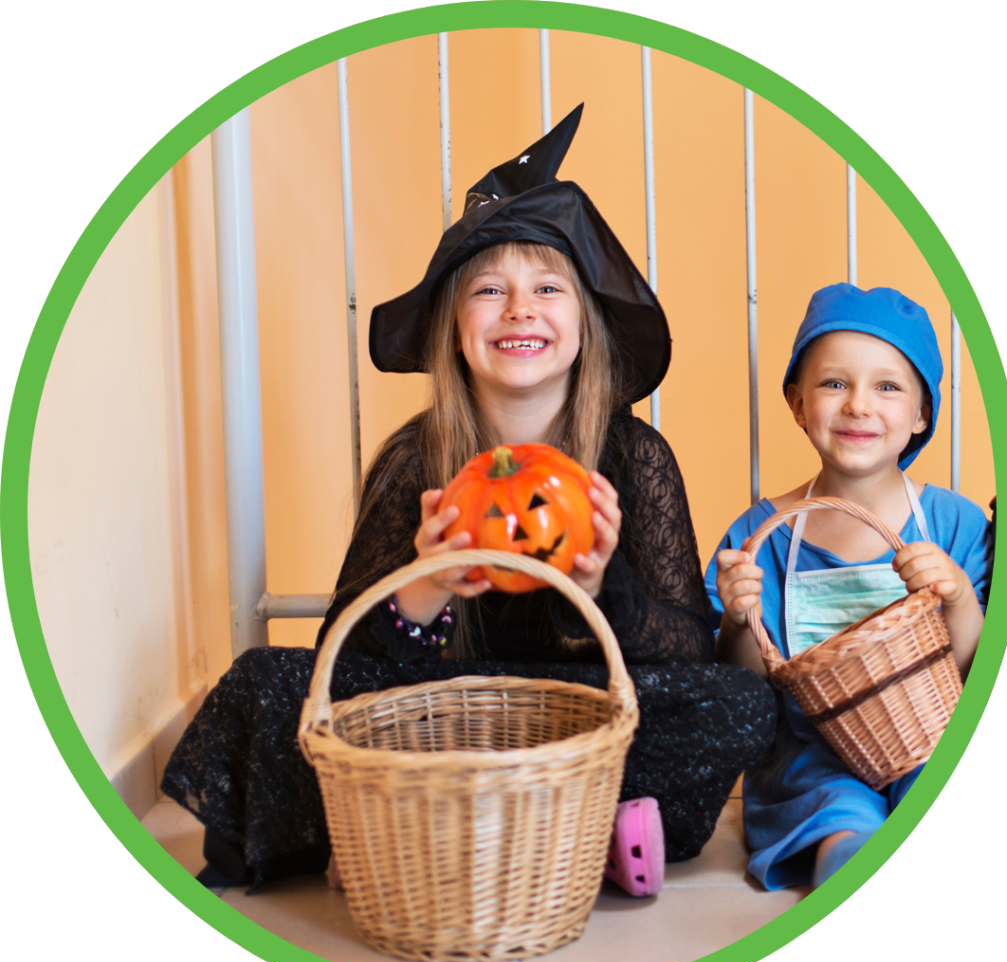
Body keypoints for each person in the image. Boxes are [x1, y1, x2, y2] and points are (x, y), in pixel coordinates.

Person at [162, 105, 776, 896]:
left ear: (584, 326)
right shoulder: (418, 457)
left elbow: (686, 648)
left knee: (737, 703)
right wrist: (423, 587)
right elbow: (339, 656)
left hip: (578, 716)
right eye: (490, 289)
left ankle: (534, 818)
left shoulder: (633, 456)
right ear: (454, 329)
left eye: (548, 287)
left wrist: (599, 589)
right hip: (439, 717)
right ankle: (504, 827)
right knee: (265, 680)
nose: (520, 309)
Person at [705, 284, 992, 890]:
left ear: (921, 413)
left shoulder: (955, 524)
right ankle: (853, 877)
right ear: (798, 403)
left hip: (932, 738)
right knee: (842, 817)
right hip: (813, 755)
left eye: (887, 387)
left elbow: (977, 667)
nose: (859, 405)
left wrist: (960, 597)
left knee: (944, 795)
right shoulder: (761, 534)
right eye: (835, 384)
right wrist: (737, 618)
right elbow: (747, 679)